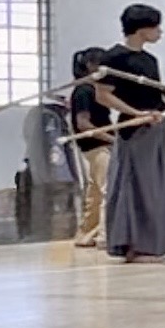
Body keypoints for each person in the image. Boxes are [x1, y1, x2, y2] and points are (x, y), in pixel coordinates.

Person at [94, 4, 165, 261]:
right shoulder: (114, 59)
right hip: (134, 131)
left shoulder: (150, 60)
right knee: (135, 187)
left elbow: (153, 94)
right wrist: (135, 114)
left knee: (156, 188)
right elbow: (103, 95)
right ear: (142, 29)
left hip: (156, 126)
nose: (160, 33)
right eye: (156, 27)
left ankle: (152, 243)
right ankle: (132, 244)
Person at [70, 47, 113, 248]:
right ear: (91, 66)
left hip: (96, 145)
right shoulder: (84, 91)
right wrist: (111, 138)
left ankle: (86, 234)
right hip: (97, 146)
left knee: (95, 192)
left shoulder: (91, 89)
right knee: (107, 190)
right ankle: (104, 235)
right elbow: (83, 123)